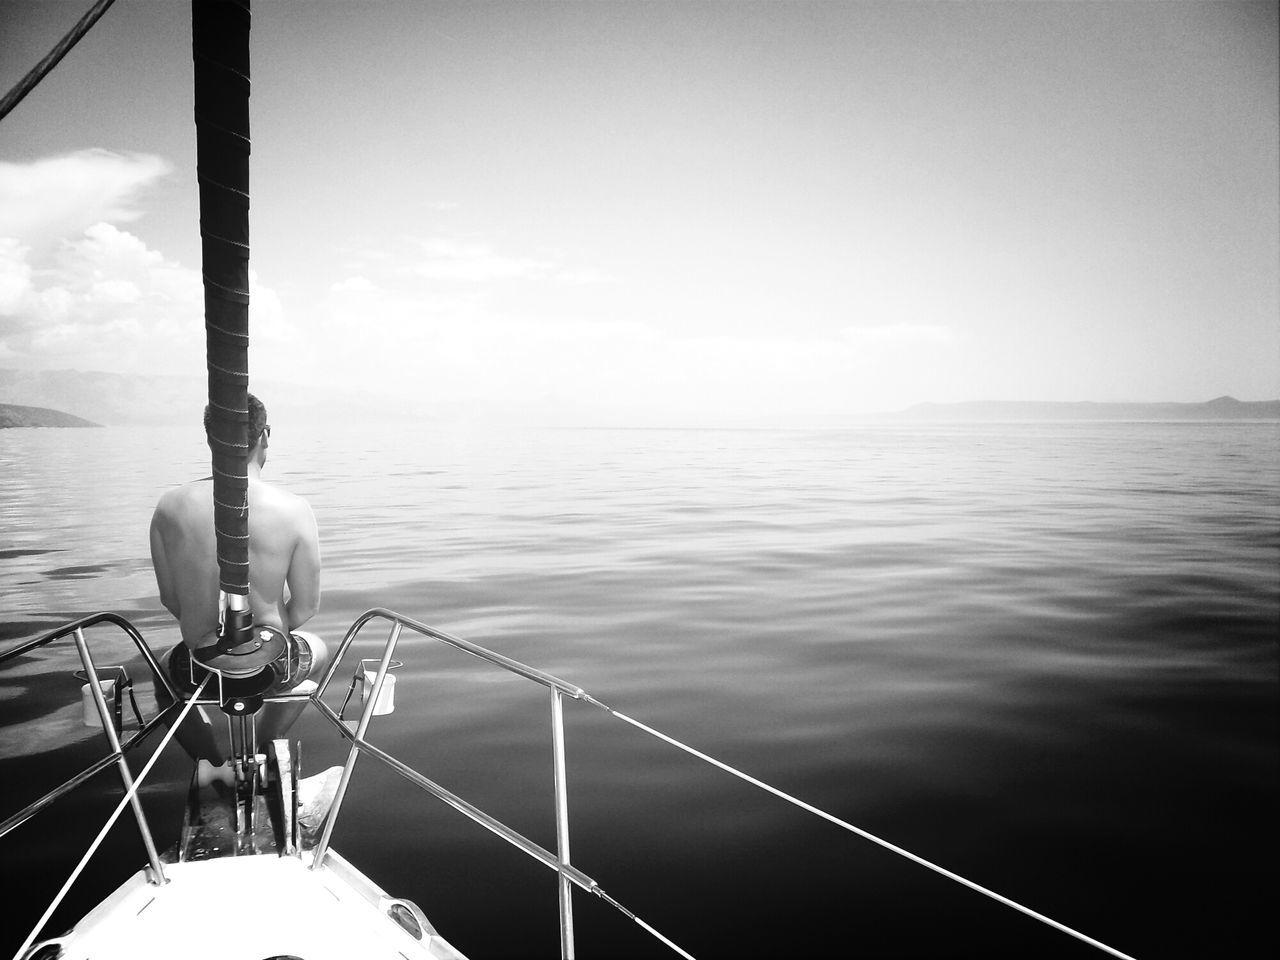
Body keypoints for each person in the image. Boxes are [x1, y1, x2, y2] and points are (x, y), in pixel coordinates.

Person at [149, 394, 327, 762]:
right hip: (272, 665)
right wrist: (263, 643)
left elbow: (171, 600)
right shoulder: (294, 509)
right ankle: (268, 742)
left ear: (210, 438)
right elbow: (307, 606)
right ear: (266, 435)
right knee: (318, 651)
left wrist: (210, 637)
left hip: (197, 670)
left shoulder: (168, 506)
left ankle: (210, 763)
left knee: (163, 678)